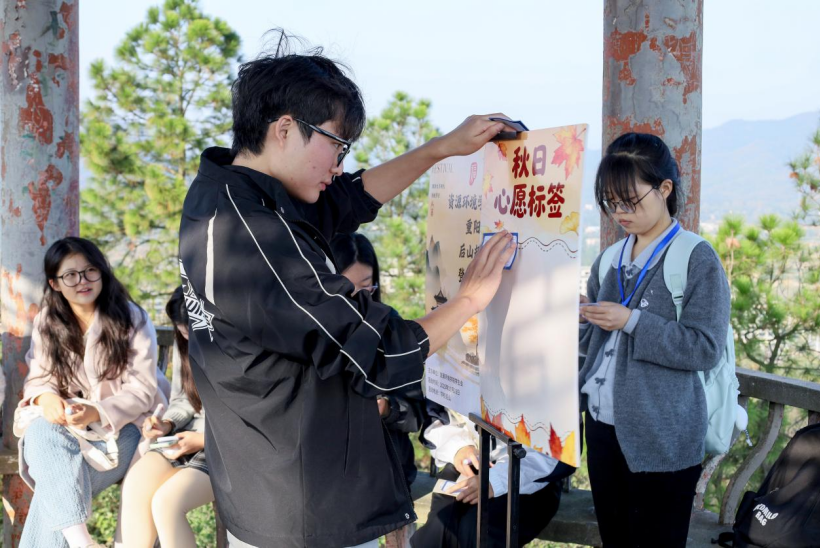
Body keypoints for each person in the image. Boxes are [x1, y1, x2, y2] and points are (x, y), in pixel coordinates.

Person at [178, 33, 516, 548]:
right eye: (336, 145)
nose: (339, 164)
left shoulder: (222, 192)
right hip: (303, 505)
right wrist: (470, 299)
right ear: (285, 129)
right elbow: (378, 350)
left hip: (261, 486)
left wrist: (440, 149)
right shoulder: (255, 234)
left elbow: (344, 200)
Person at [579, 133, 731, 548]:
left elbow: (705, 347)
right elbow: (592, 346)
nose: (620, 213)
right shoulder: (609, 258)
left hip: (663, 434)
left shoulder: (696, 258)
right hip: (602, 428)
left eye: (630, 201)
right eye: (611, 202)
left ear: (665, 188)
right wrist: (583, 318)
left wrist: (632, 321)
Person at [15, 237, 166, 549]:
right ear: (55, 283)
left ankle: (81, 543)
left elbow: (143, 390)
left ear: (102, 272)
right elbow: (40, 378)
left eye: (90, 271)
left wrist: (97, 411)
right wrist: (46, 398)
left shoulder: (131, 317)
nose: (82, 281)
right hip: (72, 430)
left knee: (54, 486)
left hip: (129, 425)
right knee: (41, 430)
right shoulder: (48, 321)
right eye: (70, 275)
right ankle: (83, 544)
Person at [330, 232, 426, 489]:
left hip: (386, 471)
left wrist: (387, 408)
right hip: (332, 473)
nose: (358, 299)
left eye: (366, 288)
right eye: (346, 289)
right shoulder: (314, 329)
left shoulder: (390, 324)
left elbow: (415, 412)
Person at [120, 287, 212, 547]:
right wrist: (167, 424)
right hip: (186, 438)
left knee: (167, 503)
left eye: (190, 329)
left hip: (224, 446)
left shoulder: (236, 348)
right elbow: (184, 399)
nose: (186, 336)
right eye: (181, 330)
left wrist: (202, 440)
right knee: (136, 483)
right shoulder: (186, 341)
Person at [411, 407, 571, 548]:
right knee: (439, 526)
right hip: (470, 459)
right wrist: (459, 447)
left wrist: (496, 480)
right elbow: (438, 414)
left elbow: (560, 451)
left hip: (529, 479)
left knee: (478, 531)